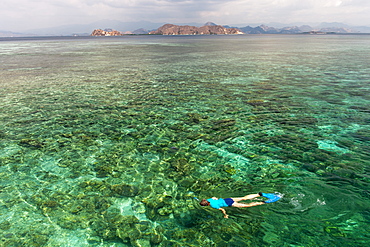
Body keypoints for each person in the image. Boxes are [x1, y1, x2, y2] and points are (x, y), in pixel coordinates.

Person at [199, 192, 281, 218]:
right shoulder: (208, 199)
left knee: (246, 205)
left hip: (229, 203)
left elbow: (222, 209)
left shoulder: (213, 206)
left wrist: (225, 215)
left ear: (207, 205)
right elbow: (214, 197)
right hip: (228, 199)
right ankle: (259, 194)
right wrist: (216, 199)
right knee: (244, 198)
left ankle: (264, 202)